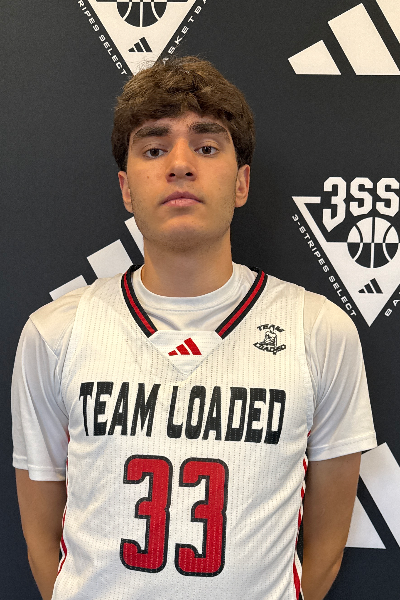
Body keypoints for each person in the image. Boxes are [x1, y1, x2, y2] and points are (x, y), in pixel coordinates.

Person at [12, 56, 376, 600]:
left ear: (241, 182)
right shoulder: (55, 333)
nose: (180, 164)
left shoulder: (319, 330)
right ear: (126, 189)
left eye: (206, 147)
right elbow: (42, 541)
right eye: (154, 149)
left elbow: (325, 549)